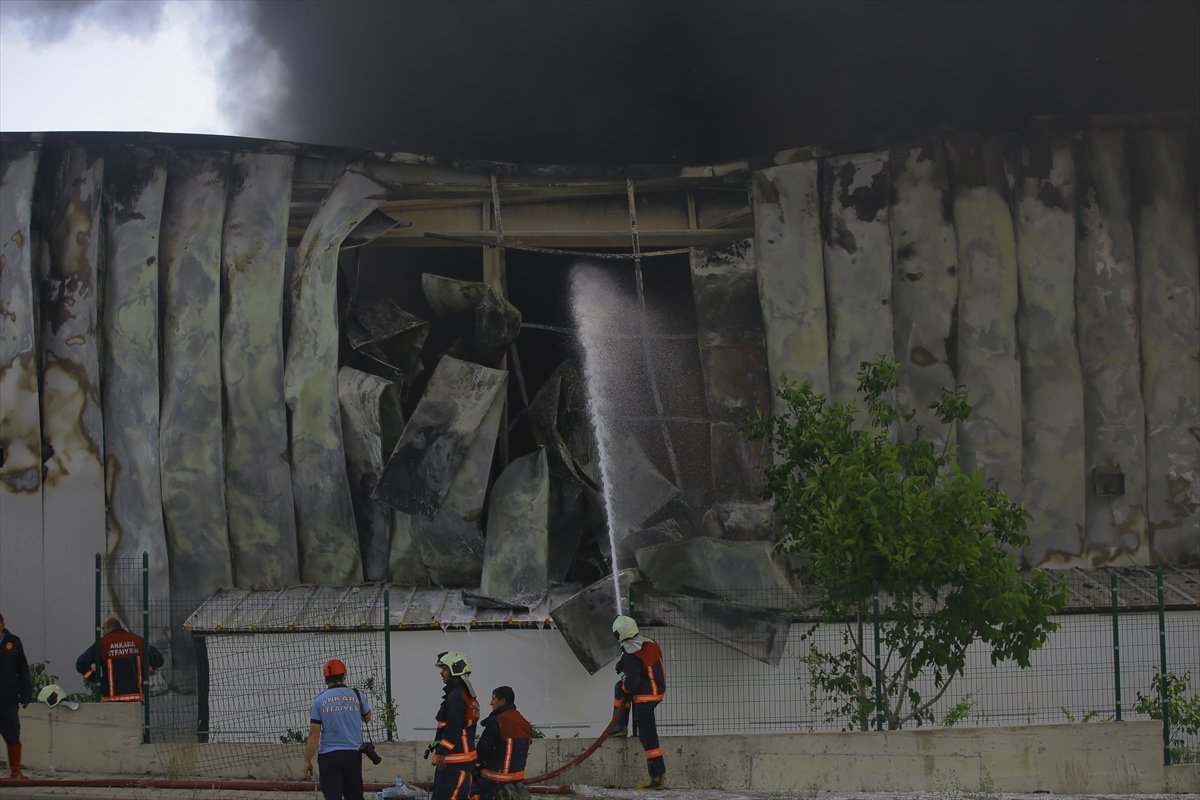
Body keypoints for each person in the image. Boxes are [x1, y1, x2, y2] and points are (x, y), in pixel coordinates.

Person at [609, 615, 667, 790]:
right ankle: (619, 727)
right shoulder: (649, 642)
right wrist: (623, 665)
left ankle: (657, 778)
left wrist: (626, 682)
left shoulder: (630, 656)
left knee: (647, 737)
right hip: (657, 690)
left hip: (645, 697)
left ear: (618, 634)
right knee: (619, 687)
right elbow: (642, 660)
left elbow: (631, 685)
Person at [303, 658, 372, 800]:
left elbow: (314, 735)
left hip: (329, 757)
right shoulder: (358, 695)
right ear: (344, 676)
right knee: (354, 796)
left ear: (325, 679)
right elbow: (367, 718)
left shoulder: (319, 700)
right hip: (353, 755)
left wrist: (307, 760)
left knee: (332, 796)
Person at [75, 616, 164, 702]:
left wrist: (99, 681)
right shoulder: (138, 640)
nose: (102, 632)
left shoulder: (102, 644)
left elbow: (81, 664)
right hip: (135, 698)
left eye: (103, 628)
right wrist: (145, 670)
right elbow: (159, 659)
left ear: (109, 627)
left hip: (112, 698)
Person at [429, 651, 478, 800]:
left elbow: (453, 728)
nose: (441, 673)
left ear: (455, 670)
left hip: (455, 761)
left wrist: (442, 752)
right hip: (461, 759)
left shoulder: (456, 696)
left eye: (445, 669)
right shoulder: (464, 694)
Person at [473, 685, 532, 800]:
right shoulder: (524, 723)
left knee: (467, 790)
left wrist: (476, 766)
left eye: (493, 699)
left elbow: (483, 750)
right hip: (517, 777)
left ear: (503, 701)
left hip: (495, 777)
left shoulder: (497, 721)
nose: (491, 703)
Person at [0, 613, 32, 780]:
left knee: (12, 732)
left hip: (8, 697)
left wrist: (26, 693)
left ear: (2, 624)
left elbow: (23, 669)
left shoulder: (14, 642)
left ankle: (15, 771)